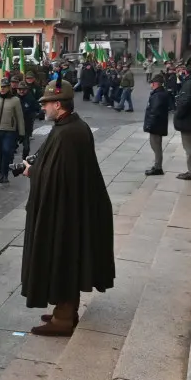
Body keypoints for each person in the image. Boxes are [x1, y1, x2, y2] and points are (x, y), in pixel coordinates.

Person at [19, 81, 114, 336]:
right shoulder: (70, 127)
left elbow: (56, 175)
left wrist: (32, 172)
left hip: (66, 212)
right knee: (65, 261)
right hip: (72, 208)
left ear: (58, 105)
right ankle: (64, 310)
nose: (44, 108)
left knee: (63, 260)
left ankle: (63, 319)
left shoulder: (68, 133)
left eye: (47, 103)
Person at [142, 74, 172, 176]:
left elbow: (154, 111)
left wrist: (149, 125)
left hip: (156, 125)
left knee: (156, 146)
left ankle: (158, 167)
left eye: (152, 83)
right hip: (158, 124)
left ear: (155, 84)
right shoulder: (160, 93)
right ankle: (157, 165)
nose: (151, 85)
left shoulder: (158, 95)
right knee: (155, 146)